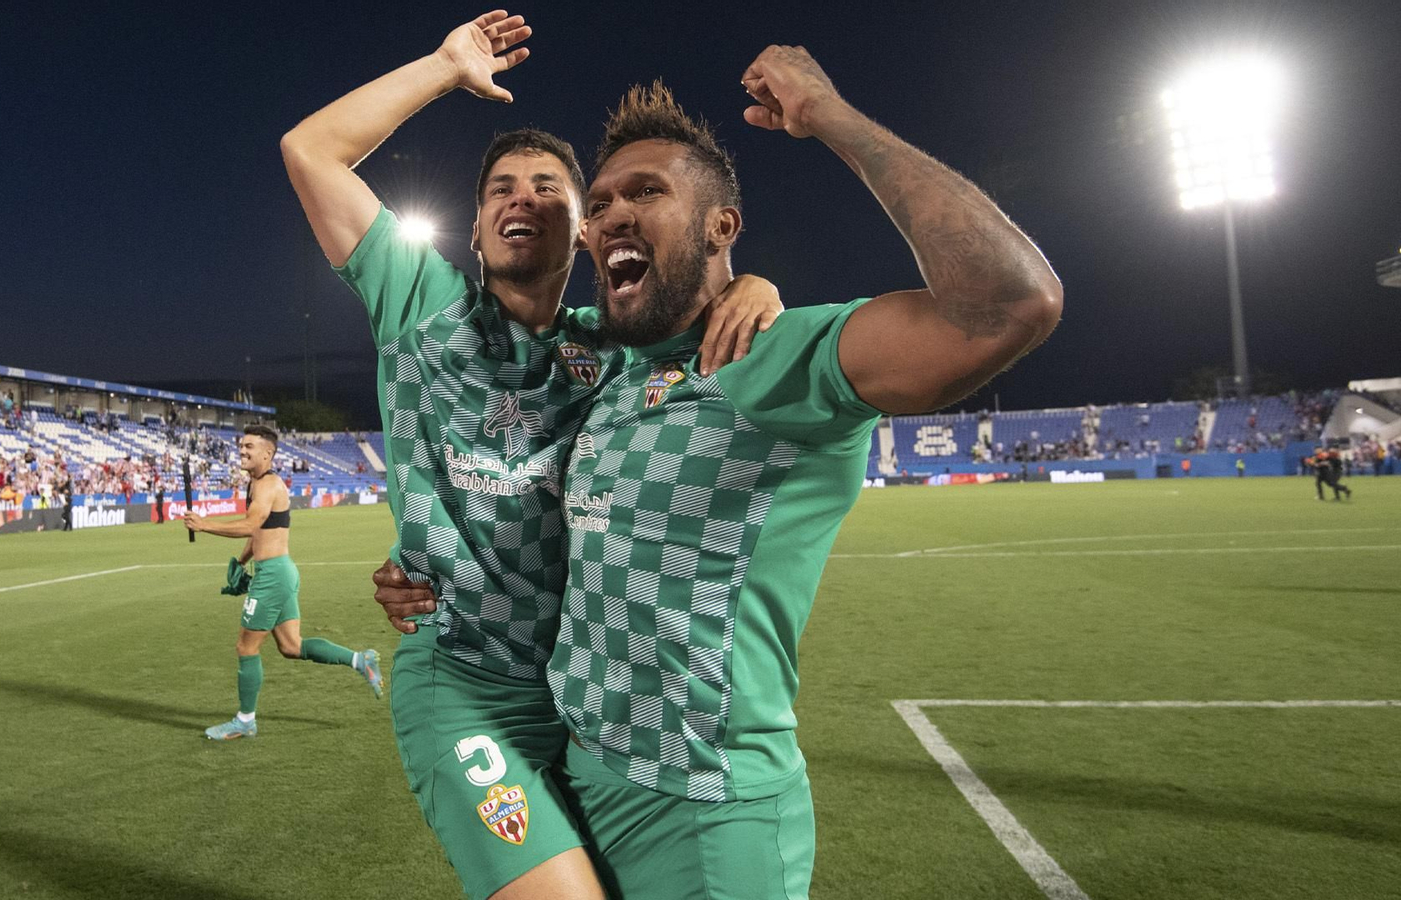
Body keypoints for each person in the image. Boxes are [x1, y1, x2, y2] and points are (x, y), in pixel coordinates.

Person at [378, 50, 1061, 897]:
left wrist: (830, 118)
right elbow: (509, 498)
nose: (612, 215)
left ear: (721, 227)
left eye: (647, 194)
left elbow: (1009, 305)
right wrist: (421, 572)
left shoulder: (779, 358)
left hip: (707, 813)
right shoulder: (605, 370)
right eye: (601, 205)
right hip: (577, 776)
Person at [282, 11, 781, 900]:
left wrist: (751, 281)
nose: (524, 198)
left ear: (588, 229)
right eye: (501, 188)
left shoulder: (616, 351)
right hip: (463, 684)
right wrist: (444, 67)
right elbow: (311, 151)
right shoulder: (420, 308)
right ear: (473, 232)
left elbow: (703, 301)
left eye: (551, 187)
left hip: (588, 706)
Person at [183, 425, 382, 741]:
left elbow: (250, 524)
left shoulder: (269, 485)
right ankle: (361, 660)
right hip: (278, 571)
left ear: (267, 452)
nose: (243, 451)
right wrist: (242, 563)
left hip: (274, 577)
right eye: (241, 446)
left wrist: (204, 525)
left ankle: (245, 720)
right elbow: (258, 533)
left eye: (249, 446)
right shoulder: (255, 483)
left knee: (246, 647)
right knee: (291, 646)